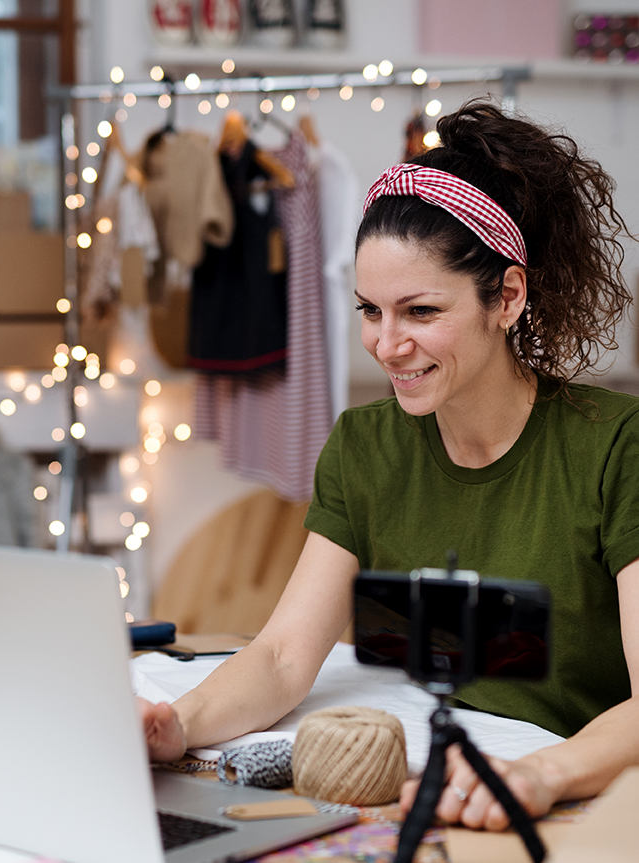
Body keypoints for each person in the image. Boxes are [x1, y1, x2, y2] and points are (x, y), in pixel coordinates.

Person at [139, 100, 639, 831]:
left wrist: (536, 775)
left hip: (564, 799)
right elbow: (281, 656)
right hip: (416, 792)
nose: (387, 343)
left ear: (507, 296)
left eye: (421, 312)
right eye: (371, 310)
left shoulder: (615, 447)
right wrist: (175, 723)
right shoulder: (365, 446)